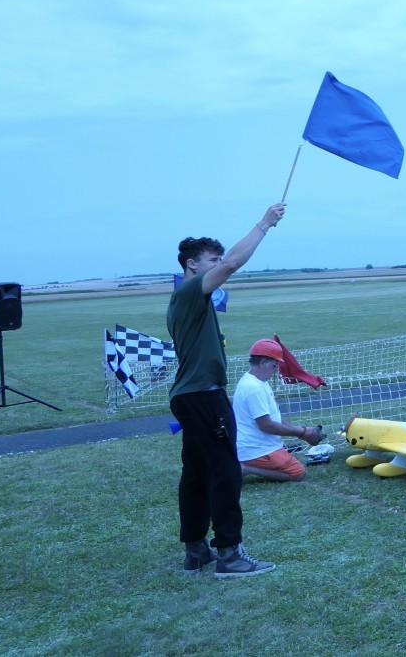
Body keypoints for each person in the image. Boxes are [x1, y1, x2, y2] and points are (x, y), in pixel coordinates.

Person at [167, 202, 285, 579]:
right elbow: (233, 263)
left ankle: (196, 551)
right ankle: (230, 555)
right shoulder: (189, 292)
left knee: (196, 474)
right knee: (225, 472)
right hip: (204, 396)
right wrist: (265, 223)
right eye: (211, 260)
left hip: (189, 396)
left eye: (217, 258)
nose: (219, 264)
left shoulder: (190, 299)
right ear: (192, 265)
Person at [233, 339, 323, 482]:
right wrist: (302, 432)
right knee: (297, 472)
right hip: (256, 450)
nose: (276, 370)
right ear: (262, 362)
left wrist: (302, 431)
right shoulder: (253, 388)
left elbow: (274, 418)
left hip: (259, 446)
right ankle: (246, 468)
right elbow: (266, 425)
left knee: (292, 465)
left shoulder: (258, 382)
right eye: (275, 365)